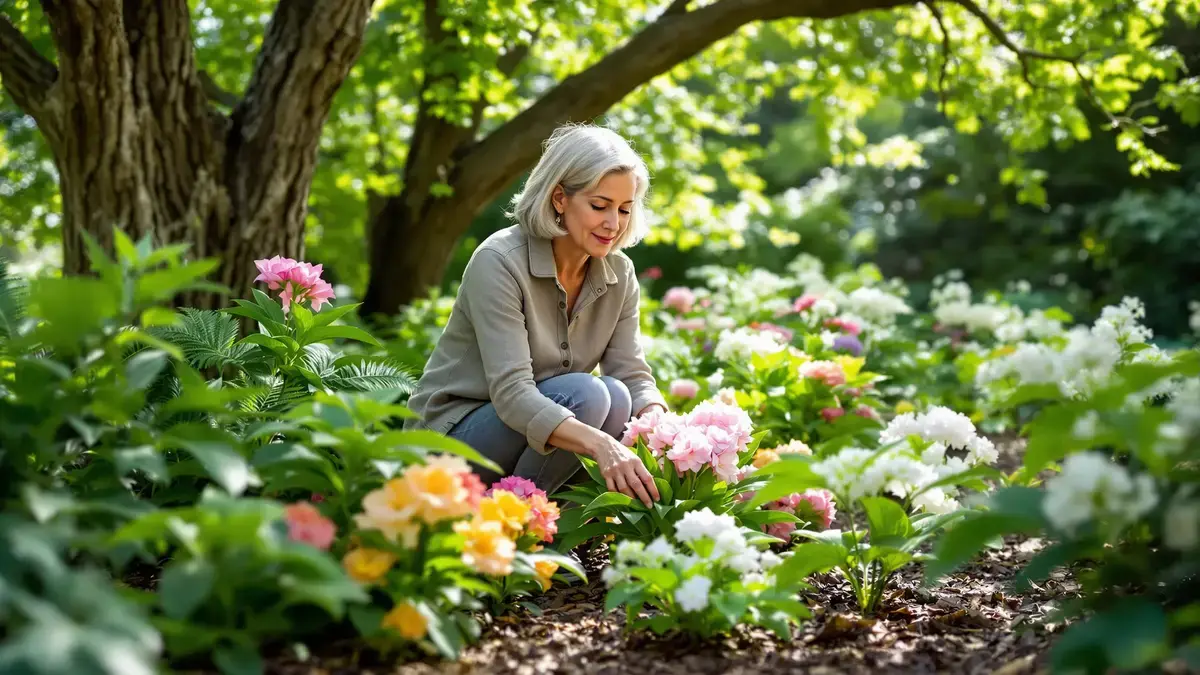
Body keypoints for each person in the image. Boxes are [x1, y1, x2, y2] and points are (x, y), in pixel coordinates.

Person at [404, 123, 667, 507]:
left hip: (533, 433)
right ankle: (507, 528)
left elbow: (631, 373)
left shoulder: (620, 273)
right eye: (599, 205)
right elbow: (512, 394)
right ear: (559, 198)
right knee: (591, 394)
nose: (614, 223)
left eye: (624, 209)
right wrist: (603, 446)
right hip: (451, 442)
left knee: (617, 395)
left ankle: (544, 532)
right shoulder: (499, 260)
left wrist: (663, 427)